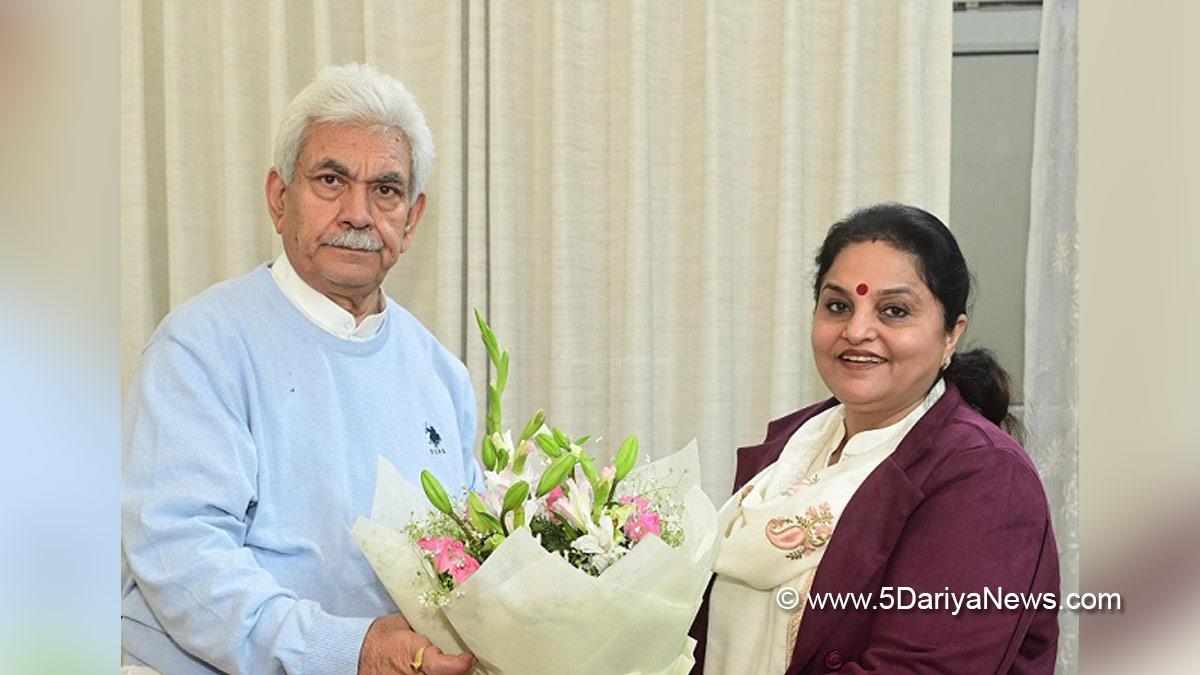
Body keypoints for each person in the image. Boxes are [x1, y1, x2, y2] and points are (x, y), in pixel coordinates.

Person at [122, 63, 479, 675]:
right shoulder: (201, 348)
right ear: (279, 198)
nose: (358, 213)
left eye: (385, 190)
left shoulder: (442, 374)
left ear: (412, 218)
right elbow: (183, 560)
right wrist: (349, 652)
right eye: (332, 179)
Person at [691, 203, 1059, 673]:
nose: (857, 330)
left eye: (894, 310)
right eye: (838, 305)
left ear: (951, 335)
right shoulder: (794, 445)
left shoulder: (985, 478)